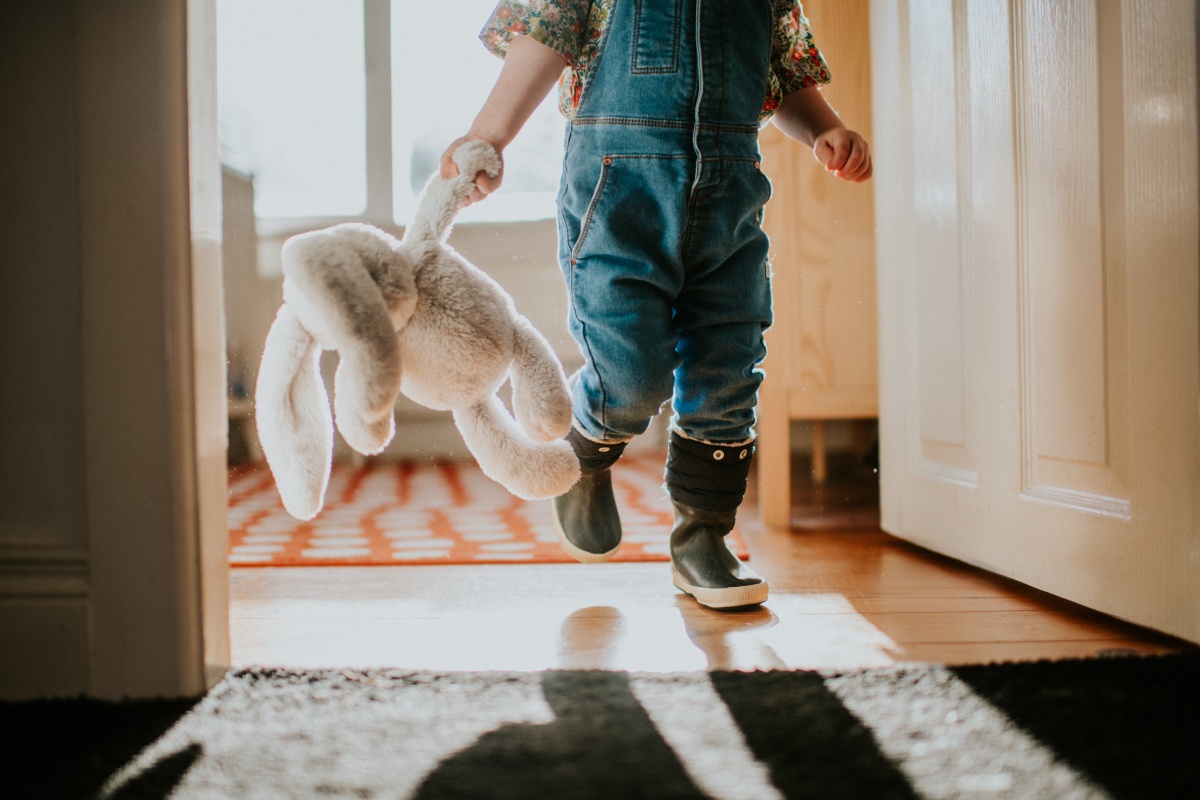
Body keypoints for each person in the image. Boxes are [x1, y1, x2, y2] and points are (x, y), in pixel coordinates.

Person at [441, 0, 872, 610]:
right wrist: (488, 134)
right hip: (619, 190)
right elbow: (546, 32)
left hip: (730, 193)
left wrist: (824, 127)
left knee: (729, 369)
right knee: (632, 372)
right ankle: (587, 446)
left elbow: (784, 67)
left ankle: (704, 539)